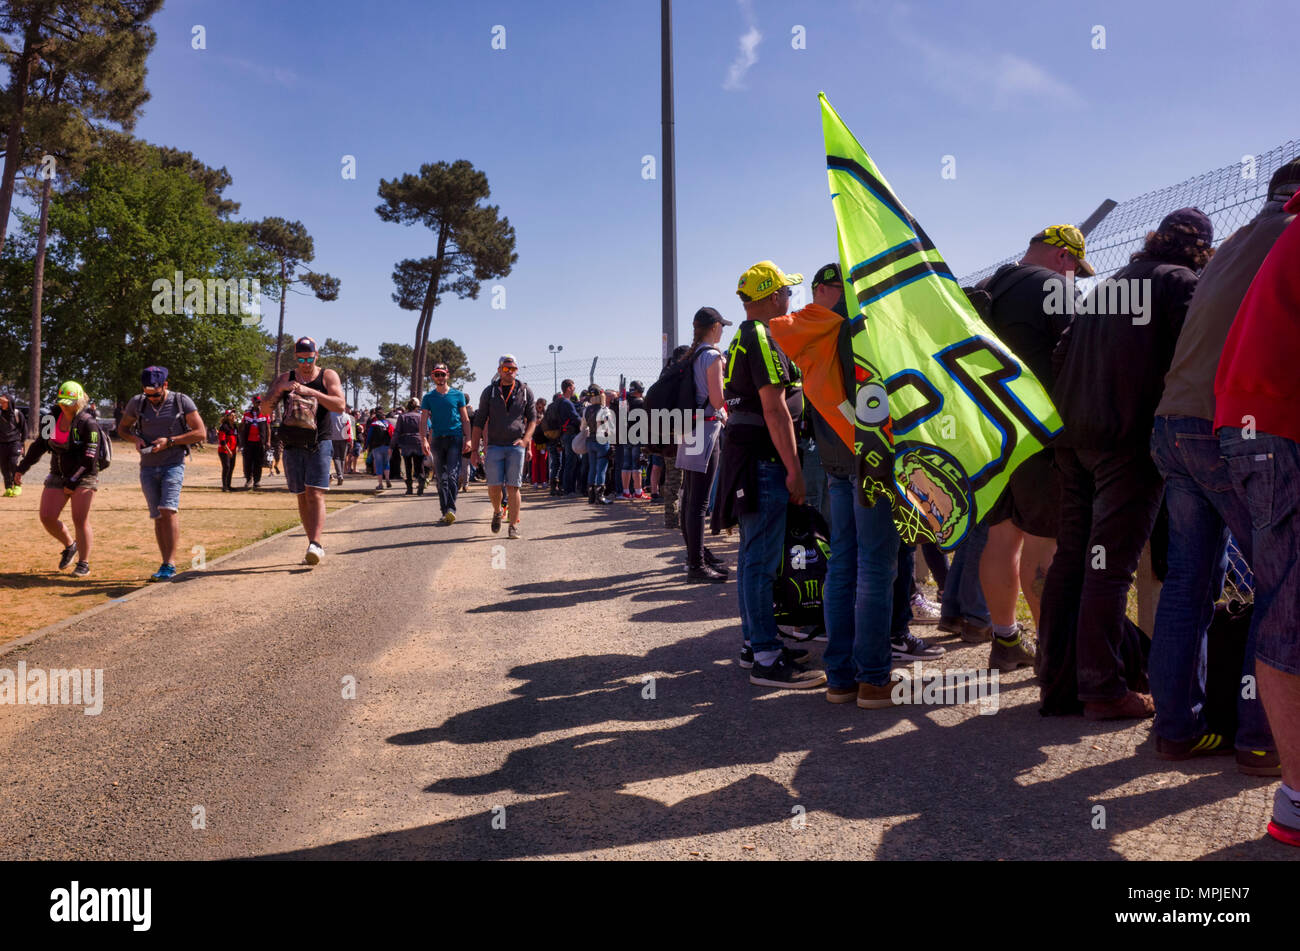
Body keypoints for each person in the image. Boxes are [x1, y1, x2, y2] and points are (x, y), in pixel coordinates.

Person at [1150, 162, 1299, 770]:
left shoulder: (1236, 240)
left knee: (1187, 582)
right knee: (1277, 582)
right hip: (1230, 424)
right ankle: (1261, 740)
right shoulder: (1286, 234)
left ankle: (1176, 729)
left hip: (1173, 425)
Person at [1040, 208, 1212, 719]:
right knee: (1110, 568)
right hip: (1127, 439)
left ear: (1154, 238)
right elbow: (1193, 358)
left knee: (1075, 557)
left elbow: (1061, 352)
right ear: (1200, 248)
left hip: (1074, 436)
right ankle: (1102, 688)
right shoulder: (1183, 285)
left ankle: (1058, 683)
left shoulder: (1113, 284)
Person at [1213, 187, 1300, 846]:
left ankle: (1290, 786)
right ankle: (1293, 793)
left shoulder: (1272, 235)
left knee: (1275, 596)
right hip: (1276, 422)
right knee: (1288, 607)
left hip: (1245, 421)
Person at [975, 225, 1088, 671]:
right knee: (1046, 540)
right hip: (1040, 434)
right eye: (1076, 267)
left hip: (989, 432)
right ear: (1064, 257)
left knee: (1002, 536)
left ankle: (1005, 641)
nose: (1076, 277)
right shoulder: (1054, 287)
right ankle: (1052, 652)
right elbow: (1084, 354)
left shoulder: (989, 287)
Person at [715, 260, 823, 689]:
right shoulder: (760, 336)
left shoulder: (745, 336)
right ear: (774, 296)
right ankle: (765, 655)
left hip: (750, 458)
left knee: (750, 559)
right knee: (759, 562)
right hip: (763, 460)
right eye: (788, 293)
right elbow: (775, 410)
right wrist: (795, 471)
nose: (791, 300)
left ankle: (754, 643)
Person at [118, 366, 207, 582]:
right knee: (158, 515)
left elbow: (200, 433)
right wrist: (136, 440)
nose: (152, 399)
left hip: (173, 463)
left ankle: (170, 563)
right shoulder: (137, 402)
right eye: (148, 394)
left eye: (156, 394)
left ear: (165, 385)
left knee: (168, 509)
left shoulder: (181, 401)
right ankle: (164, 561)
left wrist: (170, 442)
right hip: (147, 466)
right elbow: (122, 429)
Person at [264, 336, 347, 566]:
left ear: (316, 355)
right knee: (301, 494)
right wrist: (279, 389)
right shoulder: (286, 378)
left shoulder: (327, 375)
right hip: (292, 443)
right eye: (301, 358)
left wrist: (312, 392)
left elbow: (340, 405)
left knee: (315, 492)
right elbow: (264, 407)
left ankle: (317, 543)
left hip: (320, 440)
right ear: (295, 357)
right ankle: (311, 542)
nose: (305, 363)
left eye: (309, 358)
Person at [14, 381, 100, 577]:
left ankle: (83, 563)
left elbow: (90, 458)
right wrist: (22, 468)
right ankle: (70, 545)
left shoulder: (88, 422)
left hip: (84, 475)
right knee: (47, 516)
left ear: (79, 401)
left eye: (69, 402)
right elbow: (39, 446)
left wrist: (73, 481)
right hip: (58, 473)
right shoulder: (51, 419)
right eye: (62, 402)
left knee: (80, 519)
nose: (65, 406)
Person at [676, 308, 730, 581]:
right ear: (714, 326)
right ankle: (696, 565)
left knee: (689, 498)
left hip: (690, 427)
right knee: (698, 502)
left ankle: (694, 558)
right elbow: (719, 400)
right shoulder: (712, 356)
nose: (723, 330)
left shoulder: (693, 354)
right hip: (707, 427)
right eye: (722, 325)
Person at [470, 354, 537, 539]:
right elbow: (478, 422)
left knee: (513, 487)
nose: (510, 372)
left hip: (516, 445)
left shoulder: (525, 391)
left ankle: (513, 526)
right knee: (494, 486)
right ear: (499, 370)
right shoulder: (489, 392)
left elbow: (532, 420)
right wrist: (474, 451)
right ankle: (498, 511)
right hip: (494, 446)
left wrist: (525, 442)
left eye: (513, 369)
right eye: (506, 369)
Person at [420, 362, 472, 524]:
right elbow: (423, 421)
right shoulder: (428, 397)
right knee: (441, 478)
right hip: (437, 440)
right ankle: (446, 511)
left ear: (448, 375)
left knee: (452, 475)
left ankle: (451, 509)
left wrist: (468, 439)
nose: (440, 377)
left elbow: (465, 419)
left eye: (443, 374)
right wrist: (423, 439)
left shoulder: (458, 395)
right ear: (433, 377)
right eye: (437, 374)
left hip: (455, 439)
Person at [583, 385, 614, 505]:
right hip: (602, 441)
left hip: (590, 440)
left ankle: (591, 496)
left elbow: (583, 427)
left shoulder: (586, 410)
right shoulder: (604, 410)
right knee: (601, 469)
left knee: (592, 468)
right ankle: (600, 496)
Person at [620, 382, 648, 499]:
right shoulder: (641, 402)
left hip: (626, 436)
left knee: (626, 464)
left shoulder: (624, 403)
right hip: (637, 436)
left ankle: (626, 492)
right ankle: (638, 492)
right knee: (636, 465)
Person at [556, 378, 583, 497]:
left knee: (571, 461)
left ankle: (568, 487)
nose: (574, 389)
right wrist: (585, 423)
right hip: (570, 434)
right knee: (571, 462)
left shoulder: (561, 402)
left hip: (565, 434)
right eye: (573, 387)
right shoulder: (567, 402)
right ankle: (569, 489)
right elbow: (575, 418)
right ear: (568, 388)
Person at [394, 397, 426, 495]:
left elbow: (397, 432)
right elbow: (426, 430)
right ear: (416, 407)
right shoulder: (421, 417)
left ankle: (409, 488)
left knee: (408, 467)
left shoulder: (402, 417)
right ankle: (421, 483)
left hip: (406, 443)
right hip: (418, 442)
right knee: (419, 465)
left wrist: (393, 445)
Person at [239, 397, 270, 489]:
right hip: (248, 443)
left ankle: (257, 481)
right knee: (248, 462)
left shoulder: (265, 414)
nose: (259, 404)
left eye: (260, 402)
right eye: (257, 402)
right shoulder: (247, 414)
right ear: (253, 403)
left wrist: (268, 441)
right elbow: (242, 428)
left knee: (258, 462)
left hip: (260, 443)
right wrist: (241, 441)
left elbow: (268, 429)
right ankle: (248, 479)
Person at [0, 392, 26, 496]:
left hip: (15, 442)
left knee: (13, 463)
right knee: (4, 466)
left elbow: (24, 430)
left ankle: (17, 485)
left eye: (4, 402)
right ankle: (8, 488)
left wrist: (22, 444)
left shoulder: (17, 413)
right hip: (2, 444)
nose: (2, 404)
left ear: (10, 402)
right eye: (1, 402)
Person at [366, 405, 393, 490]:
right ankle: (387, 479)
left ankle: (380, 484)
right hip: (387, 446)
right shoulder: (388, 424)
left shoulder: (373, 424)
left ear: (376, 417)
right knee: (386, 463)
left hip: (376, 447)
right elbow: (392, 434)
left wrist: (366, 445)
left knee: (378, 465)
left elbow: (369, 436)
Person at [327, 406, 353, 486]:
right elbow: (349, 428)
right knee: (342, 458)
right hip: (344, 439)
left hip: (333, 438)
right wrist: (351, 439)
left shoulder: (330, 415)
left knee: (336, 458)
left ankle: (339, 475)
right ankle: (341, 474)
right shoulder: (346, 416)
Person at [216, 409, 239, 491]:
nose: (234, 416)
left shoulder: (235, 426)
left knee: (231, 467)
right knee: (227, 467)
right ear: (227, 417)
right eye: (231, 415)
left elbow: (237, 438)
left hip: (233, 451)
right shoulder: (224, 426)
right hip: (224, 451)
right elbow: (222, 441)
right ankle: (224, 487)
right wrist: (228, 450)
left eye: (234, 415)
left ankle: (229, 485)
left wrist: (237, 447)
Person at [531, 397, 550, 488]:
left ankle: (544, 480)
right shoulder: (532, 413)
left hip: (543, 441)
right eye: (539, 403)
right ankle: (535, 481)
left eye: (542, 404)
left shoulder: (546, 415)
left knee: (543, 461)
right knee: (535, 461)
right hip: (534, 440)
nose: (540, 406)